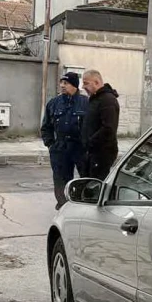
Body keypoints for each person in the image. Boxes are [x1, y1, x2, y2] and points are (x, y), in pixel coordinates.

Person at [41, 72, 89, 209]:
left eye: (66, 83)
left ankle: (83, 204)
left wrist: (88, 146)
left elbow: (91, 126)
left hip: (79, 147)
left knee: (85, 177)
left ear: (74, 85)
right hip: (60, 147)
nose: (62, 86)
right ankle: (63, 205)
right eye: (61, 83)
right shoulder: (54, 103)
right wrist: (50, 144)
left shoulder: (86, 103)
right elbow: (46, 127)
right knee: (60, 178)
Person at [81, 69, 120, 180]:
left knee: (95, 186)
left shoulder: (107, 100)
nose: (83, 87)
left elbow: (108, 128)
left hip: (101, 153)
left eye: (86, 83)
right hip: (91, 153)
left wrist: (90, 142)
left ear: (97, 82)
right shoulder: (94, 99)